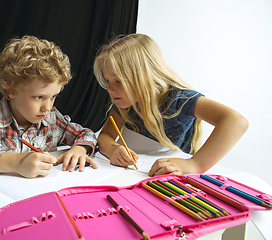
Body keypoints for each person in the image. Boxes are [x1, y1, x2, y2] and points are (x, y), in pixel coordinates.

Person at [0, 35, 98, 178]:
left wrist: (80, 149)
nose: (47, 107)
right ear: (11, 90)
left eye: (53, 97)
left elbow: (86, 134)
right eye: (38, 97)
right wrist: (13, 162)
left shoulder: (52, 119)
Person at [93, 33, 248, 177]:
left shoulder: (180, 99)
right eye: (107, 80)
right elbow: (106, 135)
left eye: (118, 81)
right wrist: (113, 150)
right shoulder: (125, 100)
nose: (110, 89)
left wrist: (195, 164)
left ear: (145, 74)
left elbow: (236, 121)